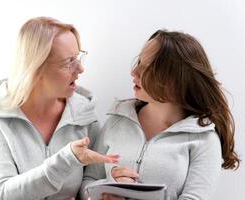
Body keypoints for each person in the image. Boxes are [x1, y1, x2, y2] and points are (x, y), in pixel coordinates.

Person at [81, 30, 240, 200]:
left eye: (147, 67)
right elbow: (87, 182)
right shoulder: (117, 120)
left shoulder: (204, 139)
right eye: (139, 62)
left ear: (176, 78)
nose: (134, 72)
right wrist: (106, 189)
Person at [0, 17, 119, 200]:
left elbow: (88, 182)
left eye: (78, 57)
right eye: (69, 62)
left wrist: (107, 188)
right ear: (36, 68)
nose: (81, 68)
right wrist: (67, 160)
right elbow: (0, 195)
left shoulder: (84, 114)